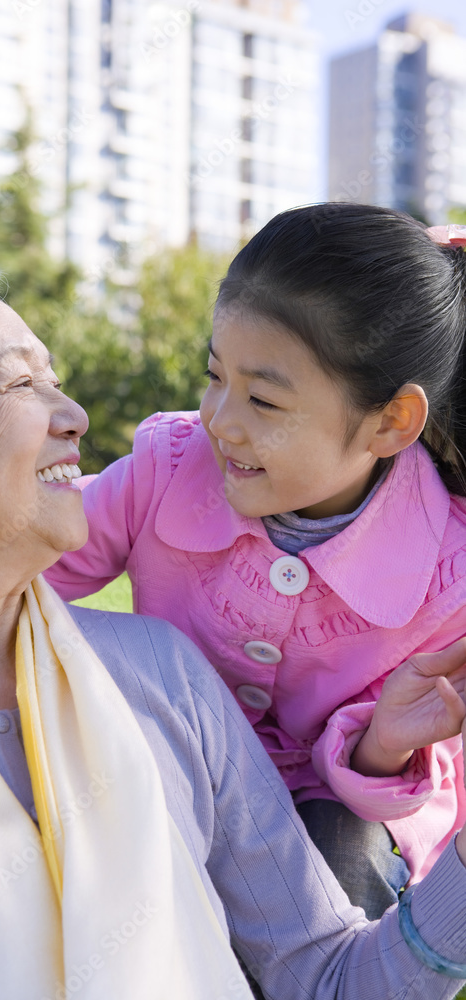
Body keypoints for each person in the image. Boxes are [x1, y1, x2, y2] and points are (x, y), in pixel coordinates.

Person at [0, 224, 466, 1000]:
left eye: (57, 382)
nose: (76, 414)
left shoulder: (165, 676)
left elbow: (331, 979)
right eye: (20, 385)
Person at [38, 204, 466, 919]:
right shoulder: (170, 468)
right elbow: (17, 553)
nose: (219, 418)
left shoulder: (446, 573)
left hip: (336, 804)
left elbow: (391, 776)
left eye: (264, 399)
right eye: (215, 376)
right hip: (173, 770)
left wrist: (383, 746)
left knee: (337, 864)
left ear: (390, 422)